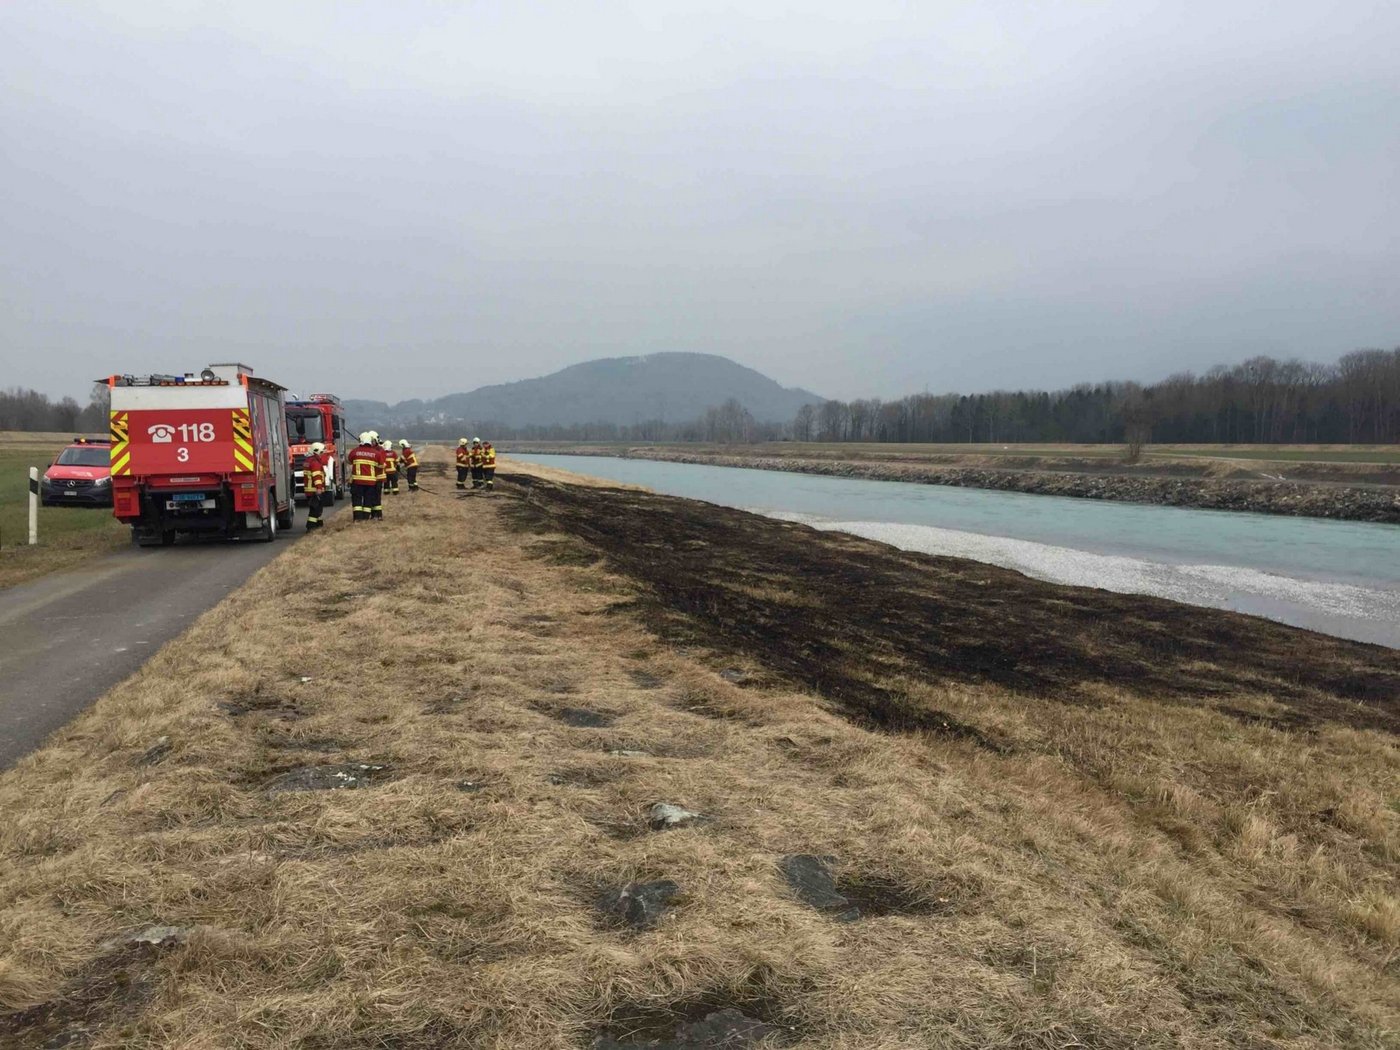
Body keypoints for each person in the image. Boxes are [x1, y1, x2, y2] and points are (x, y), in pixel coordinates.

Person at [348, 431, 386, 523]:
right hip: (371, 482)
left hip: (357, 481)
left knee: (357, 499)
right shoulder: (376, 453)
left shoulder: (354, 451)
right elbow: (381, 465)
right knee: (368, 499)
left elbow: (349, 460)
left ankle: (357, 518)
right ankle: (366, 517)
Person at [303, 441, 328, 531]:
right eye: (321, 453)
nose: (322, 455)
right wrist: (319, 488)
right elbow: (317, 477)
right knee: (315, 510)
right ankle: (311, 527)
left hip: (309, 490)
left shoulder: (308, 461)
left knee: (317, 509)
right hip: (314, 490)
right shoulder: (315, 463)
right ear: (316, 451)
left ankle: (318, 526)